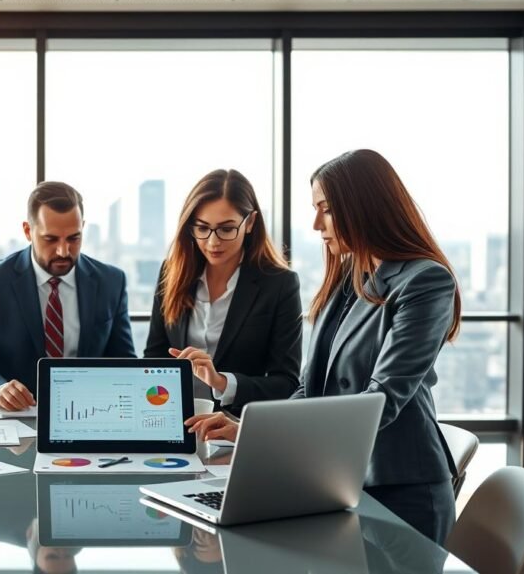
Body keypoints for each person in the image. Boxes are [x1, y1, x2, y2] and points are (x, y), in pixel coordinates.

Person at [185, 150, 461, 545]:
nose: (316, 224)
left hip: (399, 487)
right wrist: (248, 428)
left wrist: (261, 437)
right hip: (338, 483)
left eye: (326, 210)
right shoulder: (350, 275)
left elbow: (380, 400)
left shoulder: (424, 281)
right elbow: (310, 387)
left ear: (363, 207)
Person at [0, 181, 136, 409]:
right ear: (28, 231)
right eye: (51, 239)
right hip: (16, 419)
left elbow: (125, 363)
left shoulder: (111, 282)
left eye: (73, 238)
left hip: (89, 415)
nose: (63, 251)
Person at [144, 169, 301, 417]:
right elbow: (154, 357)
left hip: (235, 428)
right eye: (202, 228)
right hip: (171, 420)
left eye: (226, 229)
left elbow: (287, 383)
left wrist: (221, 382)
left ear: (249, 223)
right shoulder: (172, 272)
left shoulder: (280, 284)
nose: (212, 242)